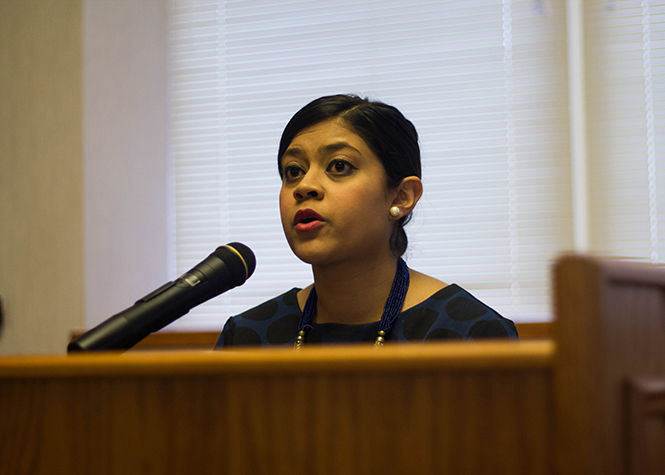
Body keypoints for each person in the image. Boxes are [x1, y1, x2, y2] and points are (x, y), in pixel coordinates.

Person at [216, 94, 517, 348]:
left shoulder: (469, 333)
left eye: (339, 166)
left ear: (401, 196)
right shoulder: (247, 338)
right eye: (293, 170)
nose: (305, 186)